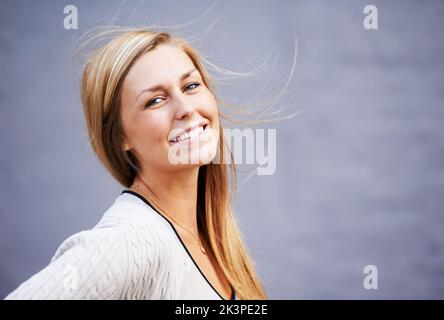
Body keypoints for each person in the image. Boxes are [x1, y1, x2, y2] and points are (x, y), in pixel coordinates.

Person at [5, 27, 268, 300]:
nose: (186, 109)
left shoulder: (213, 236)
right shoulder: (131, 241)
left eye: (190, 86)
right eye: (155, 100)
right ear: (121, 137)